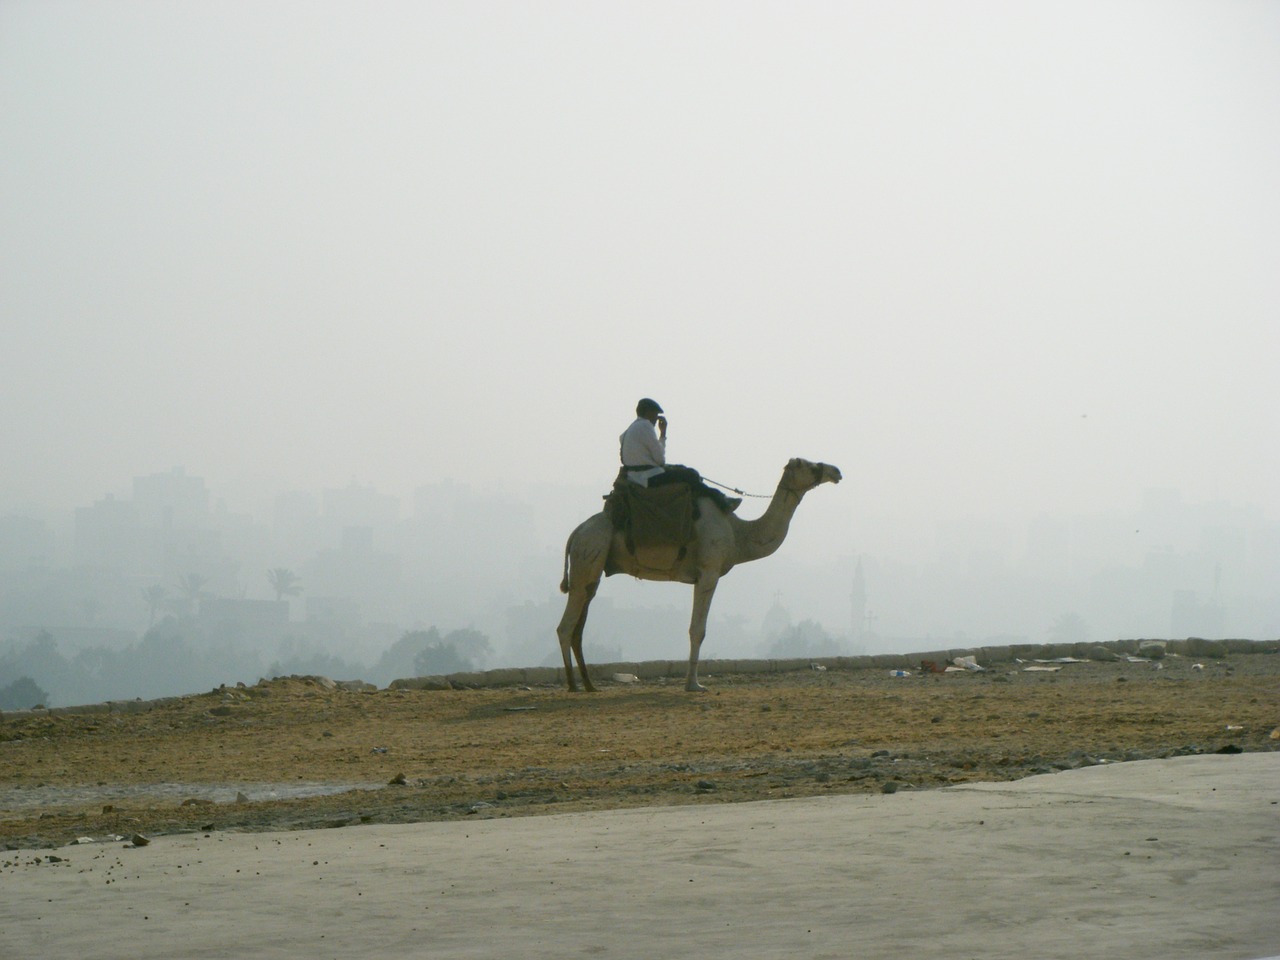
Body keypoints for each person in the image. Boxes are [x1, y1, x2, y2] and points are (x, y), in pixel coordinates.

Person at [618, 398, 740, 511]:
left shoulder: (629, 431)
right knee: (691, 475)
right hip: (647, 477)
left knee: (683, 469)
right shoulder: (645, 426)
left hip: (636, 475)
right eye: (655, 414)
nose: (656, 418)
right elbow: (660, 460)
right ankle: (722, 501)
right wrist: (663, 434)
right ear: (648, 412)